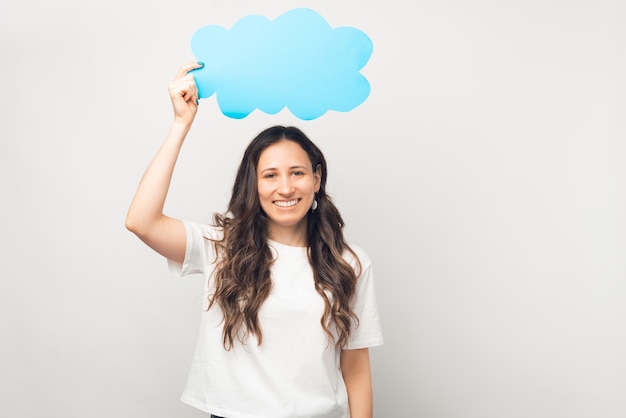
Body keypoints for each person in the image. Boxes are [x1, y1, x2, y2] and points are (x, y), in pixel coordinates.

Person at [125, 62, 384, 418]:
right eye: (270, 175)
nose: (286, 187)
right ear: (254, 184)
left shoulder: (350, 263)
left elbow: (355, 369)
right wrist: (180, 125)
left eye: (297, 173)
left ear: (317, 179)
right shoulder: (221, 247)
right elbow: (141, 221)